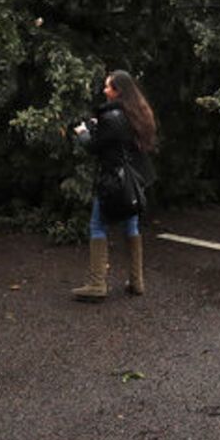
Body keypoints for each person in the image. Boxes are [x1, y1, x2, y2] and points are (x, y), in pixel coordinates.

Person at [71, 70, 157, 302]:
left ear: (118, 91)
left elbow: (95, 147)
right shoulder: (138, 113)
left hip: (113, 181)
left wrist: (83, 133)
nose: (104, 90)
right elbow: (123, 139)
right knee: (131, 225)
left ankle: (97, 284)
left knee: (97, 225)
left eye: (108, 87)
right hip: (134, 181)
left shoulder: (112, 117)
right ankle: (136, 281)